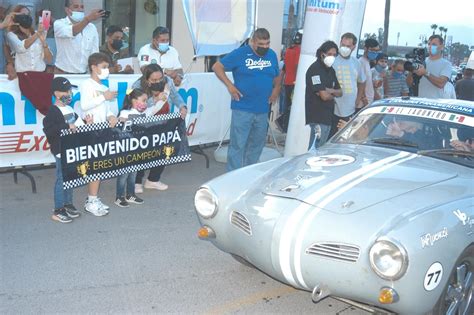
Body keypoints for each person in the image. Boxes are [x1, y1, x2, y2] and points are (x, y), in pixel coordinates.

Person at [212, 28, 281, 171]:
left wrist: (276, 90)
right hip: (242, 107)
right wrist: (230, 86)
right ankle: (233, 175)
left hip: (263, 108)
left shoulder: (272, 55)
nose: (265, 47)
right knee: (238, 144)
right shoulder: (240, 53)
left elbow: (277, 74)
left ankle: (249, 173)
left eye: (267, 43)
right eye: (261, 44)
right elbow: (217, 66)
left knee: (257, 144)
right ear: (252, 42)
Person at [131, 63, 187, 192]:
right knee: (142, 152)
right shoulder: (137, 86)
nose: (158, 82)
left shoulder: (168, 81)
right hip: (144, 123)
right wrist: (155, 99)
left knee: (163, 150)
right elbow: (137, 107)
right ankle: (137, 181)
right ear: (146, 79)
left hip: (164, 121)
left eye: (160, 79)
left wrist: (182, 106)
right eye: (154, 80)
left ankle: (153, 180)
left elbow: (174, 96)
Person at [43, 77, 89, 223]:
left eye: (70, 90)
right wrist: (66, 127)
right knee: (61, 178)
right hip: (61, 150)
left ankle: (68, 204)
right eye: (66, 91)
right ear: (57, 93)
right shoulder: (53, 111)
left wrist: (87, 123)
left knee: (71, 178)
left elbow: (78, 124)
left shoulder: (69, 109)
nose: (69, 93)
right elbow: (49, 130)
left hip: (71, 150)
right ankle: (58, 209)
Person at [80, 52, 118, 216]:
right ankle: (91, 200)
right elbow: (85, 105)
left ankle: (93, 198)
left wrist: (111, 117)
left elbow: (108, 109)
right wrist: (104, 97)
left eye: (107, 67)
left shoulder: (104, 87)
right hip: (91, 130)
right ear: (93, 67)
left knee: (100, 165)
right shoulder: (86, 84)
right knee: (95, 166)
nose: (106, 70)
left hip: (103, 130)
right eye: (103, 67)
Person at [115, 89, 154, 207]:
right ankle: (119, 197)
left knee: (133, 173)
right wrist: (123, 120)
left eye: (146, 101)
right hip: (126, 149)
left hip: (137, 149)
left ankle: (130, 194)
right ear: (134, 100)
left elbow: (154, 110)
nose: (145, 103)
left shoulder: (145, 112)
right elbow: (120, 123)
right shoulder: (125, 113)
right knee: (123, 175)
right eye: (143, 100)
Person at [305, 40, 342, 150]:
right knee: (315, 149)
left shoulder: (331, 70)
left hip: (328, 116)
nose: (332, 57)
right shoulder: (315, 69)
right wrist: (332, 94)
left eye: (335, 55)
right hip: (317, 116)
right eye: (330, 54)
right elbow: (324, 96)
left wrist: (329, 90)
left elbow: (340, 92)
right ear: (322, 54)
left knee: (321, 149)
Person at [54, 0, 104, 74]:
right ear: (67, 10)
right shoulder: (59, 24)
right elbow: (73, 31)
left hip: (83, 75)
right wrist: (87, 19)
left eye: (82, 7)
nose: (80, 10)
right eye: (76, 7)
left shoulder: (92, 27)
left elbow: (94, 53)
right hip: (63, 73)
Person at [330, 32, 365, 137]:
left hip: (349, 110)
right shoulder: (331, 61)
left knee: (344, 138)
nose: (344, 48)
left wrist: (358, 99)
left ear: (354, 47)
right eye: (342, 45)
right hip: (332, 109)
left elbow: (362, 82)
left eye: (348, 46)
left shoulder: (356, 63)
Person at [6, 5, 52, 73]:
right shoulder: (11, 35)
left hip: (40, 74)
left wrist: (45, 45)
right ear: (16, 19)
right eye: (23, 15)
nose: (26, 17)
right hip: (23, 76)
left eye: (28, 15)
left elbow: (49, 59)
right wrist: (38, 33)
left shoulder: (38, 33)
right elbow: (20, 48)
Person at [277, 29, 302, 132]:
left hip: (287, 83)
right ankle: (287, 127)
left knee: (288, 105)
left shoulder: (288, 50)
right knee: (293, 107)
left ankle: (284, 126)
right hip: (295, 84)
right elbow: (297, 66)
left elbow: (285, 68)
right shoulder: (299, 51)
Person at [414, 34, 453, 99]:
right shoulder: (422, 62)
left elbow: (441, 84)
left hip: (435, 105)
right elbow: (409, 83)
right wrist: (411, 70)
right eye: (429, 44)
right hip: (420, 103)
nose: (430, 46)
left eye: (434, 44)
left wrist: (425, 73)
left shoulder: (446, 64)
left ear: (442, 47)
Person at [357, 38, 380, 111]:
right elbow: (359, 83)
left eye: (377, 51)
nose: (375, 53)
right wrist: (364, 99)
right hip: (362, 104)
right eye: (372, 50)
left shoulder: (367, 62)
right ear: (365, 48)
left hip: (368, 102)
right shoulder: (360, 62)